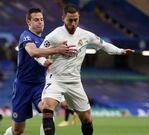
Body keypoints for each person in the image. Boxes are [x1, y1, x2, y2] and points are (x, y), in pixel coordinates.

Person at [36, 4, 134, 135]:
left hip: (75, 82)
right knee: (47, 107)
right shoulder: (53, 36)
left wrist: (120, 51)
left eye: (76, 19)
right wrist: (44, 61)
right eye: (70, 20)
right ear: (63, 18)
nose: (73, 23)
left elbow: (103, 45)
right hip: (55, 79)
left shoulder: (85, 35)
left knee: (87, 119)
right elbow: (38, 53)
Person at [3, 8, 75, 135]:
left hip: (40, 85)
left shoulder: (45, 42)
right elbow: (33, 52)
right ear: (28, 22)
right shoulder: (26, 35)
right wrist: (57, 49)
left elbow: (52, 64)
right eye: (36, 20)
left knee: (47, 110)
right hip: (22, 86)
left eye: (42, 19)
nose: (40, 22)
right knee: (17, 130)